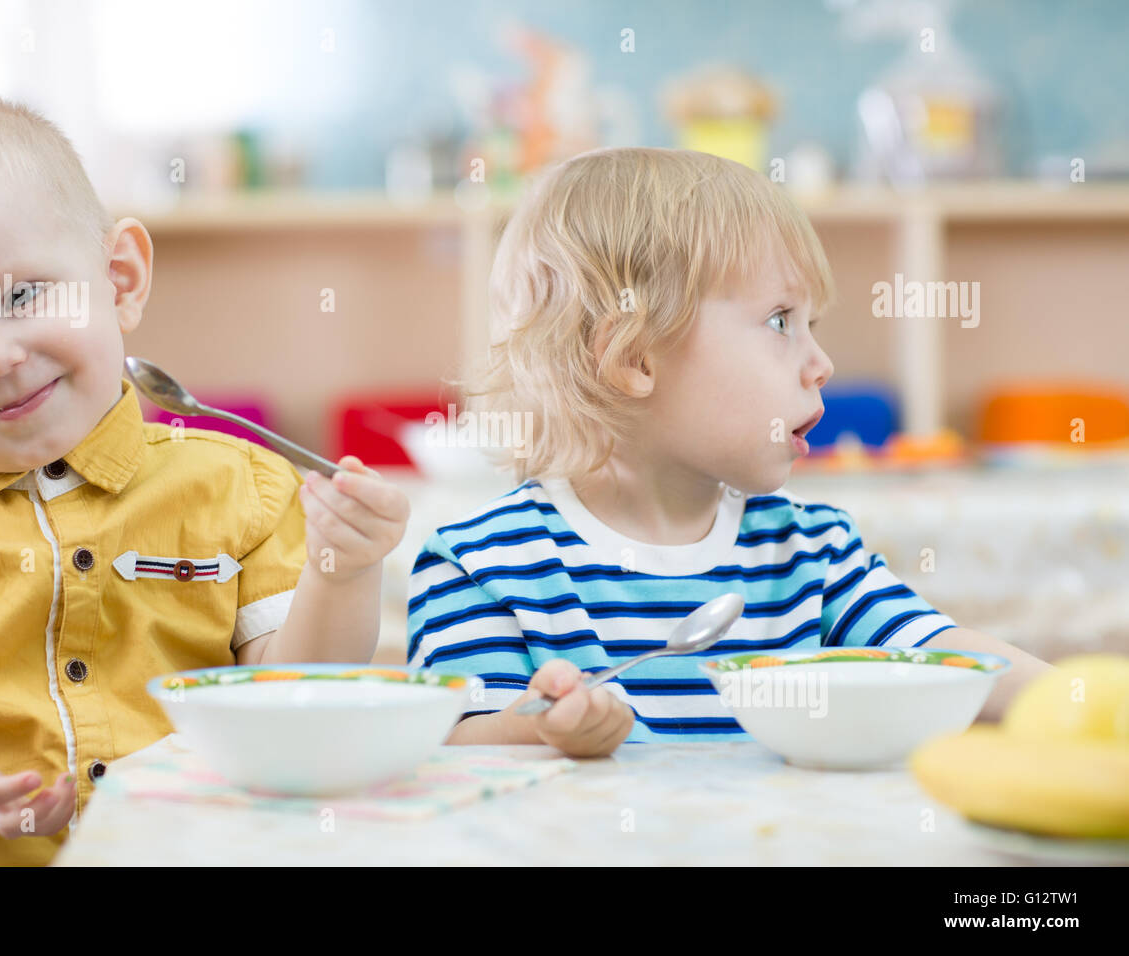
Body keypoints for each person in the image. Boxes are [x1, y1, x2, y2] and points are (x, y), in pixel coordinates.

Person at [0, 96, 409, 865]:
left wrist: (345, 571)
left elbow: (292, 704)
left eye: (21, 296)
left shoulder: (249, 491)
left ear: (120, 278)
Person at [407, 147, 1050, 757]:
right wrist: (548, 731)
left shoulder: (811, 553)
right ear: (633, 357)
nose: (821, 363)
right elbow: (450, 745)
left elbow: (943, 656)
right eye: (779, 321)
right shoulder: (478, 563)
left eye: (811, 325)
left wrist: (1080, 700)